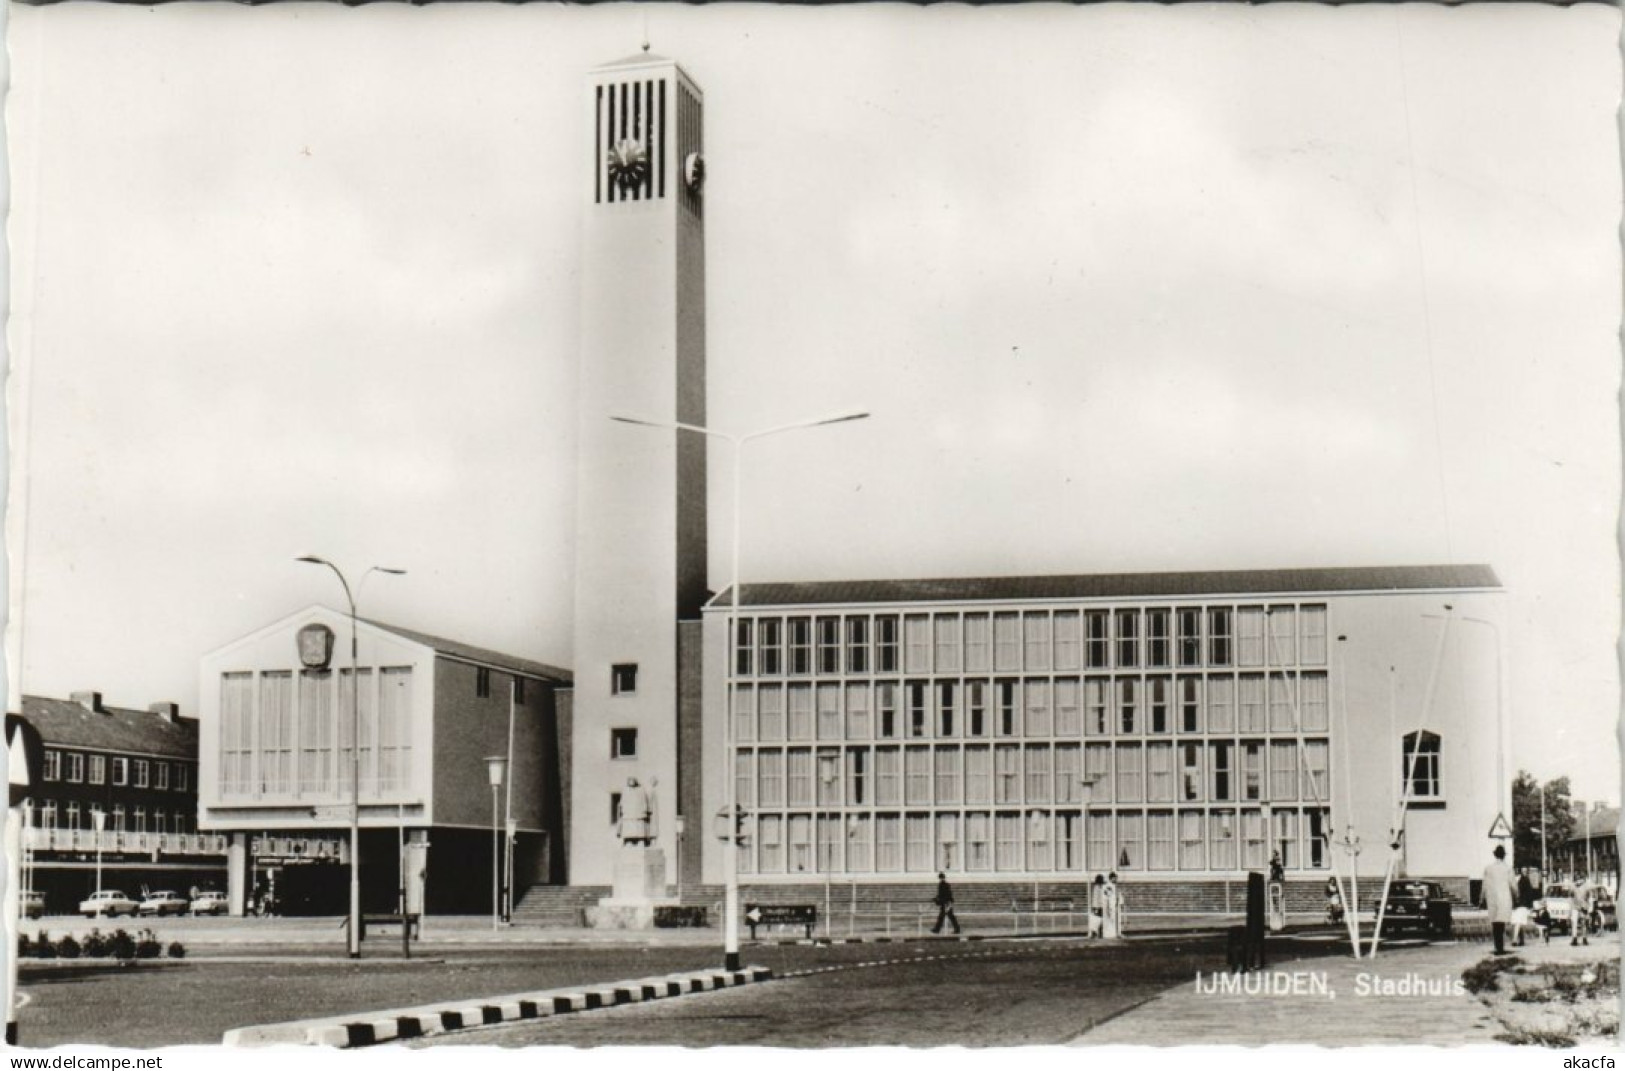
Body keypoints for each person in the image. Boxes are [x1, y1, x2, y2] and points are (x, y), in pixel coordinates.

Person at [1483, 844, 1517, 954]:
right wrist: (1517, 895)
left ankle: (1497, 946)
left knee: (1495, 923)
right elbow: (1513, 885)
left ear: (1495, 855)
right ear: (1504, 856)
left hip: (1492, 898)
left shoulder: (1488, 868)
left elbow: (1484, 885)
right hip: (1504, 898)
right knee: (1501, 923)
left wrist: (1481, 898)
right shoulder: (1507, 868)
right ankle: (1500, 947)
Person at [1571, 874, 1593, 946]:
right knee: (1575, 924)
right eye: (1576, 880)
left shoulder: (1586, 888)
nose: (1578, 881)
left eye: (1579, 879)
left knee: (1583, 924)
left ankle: (1584, 939)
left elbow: (1589, 898)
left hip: (1583, 908)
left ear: (1582, 880)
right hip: (1576, 908)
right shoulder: (1574, 887)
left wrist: (1589, 907)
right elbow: (1571, 897)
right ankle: (1575, 939)